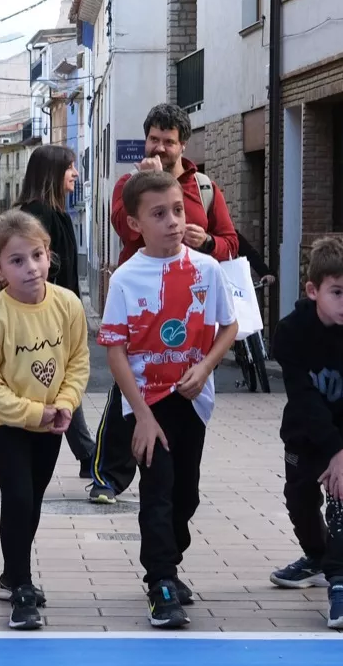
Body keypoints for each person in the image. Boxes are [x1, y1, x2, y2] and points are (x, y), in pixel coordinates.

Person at [98, 170, 239, 629]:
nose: (173, 221)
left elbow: (229, 326)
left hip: (192, 400)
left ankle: (170, 563)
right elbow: (115, 350)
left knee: (185, 495)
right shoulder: (126, 278)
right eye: (159, 214)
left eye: (177, 210)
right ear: (135, 223)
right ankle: (159, 580)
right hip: (148, 403)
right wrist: (140, 414)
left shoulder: (207, 269)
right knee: (157, 491)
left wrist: (206, 367)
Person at [89, 103, 238, 505]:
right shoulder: (129, 184)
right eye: (153, 139)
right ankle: (108, 474)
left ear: (182, 145)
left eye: (168, 141)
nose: (159, 147)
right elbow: (124, 228)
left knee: (179, 422)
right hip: (142, 307)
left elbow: (230, 242)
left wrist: (206, 242)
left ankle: (172, 478)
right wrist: (143, 183)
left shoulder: (204, 188)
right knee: (127, 393)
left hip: (188, 306)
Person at [0, 211, 90, 630]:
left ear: (48, 254)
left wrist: (66, 403)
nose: (31, 268)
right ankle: (22, 586)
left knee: (34, 501)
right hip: (7, 425)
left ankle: (11, 573)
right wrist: (33, 412)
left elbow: (77, 361)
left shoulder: (68, 305)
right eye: (17, 261)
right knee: (18, 498)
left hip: (50, 422)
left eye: (37, 256)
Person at [269, 236, 343, 631]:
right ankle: (317, 557)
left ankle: (342, 584)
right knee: (299, 501)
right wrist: (332, 449)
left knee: (342, 500)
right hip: (305, 431)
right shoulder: (291, 332)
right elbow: (303, 397)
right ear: (313, 291)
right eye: (337, 292)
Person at [0, 144, 97, 479]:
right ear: (52, 172)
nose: (75, 173)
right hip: (38, 315)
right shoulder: (39, 216)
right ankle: (89, 455)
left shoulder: (56, 212)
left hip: (57, 313)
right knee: (40, 381)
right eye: (69, 167)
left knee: (41, 381)